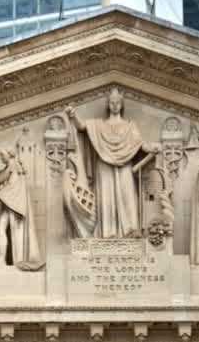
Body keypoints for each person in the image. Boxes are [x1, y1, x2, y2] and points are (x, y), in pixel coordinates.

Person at [66, 87, 160, 238]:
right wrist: (73, 116)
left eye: (117, 102)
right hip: (104, 165)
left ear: (121, 105)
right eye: (112, 102)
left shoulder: (129, 126)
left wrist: (152, 147)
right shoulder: (99, 125)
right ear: (108, 104)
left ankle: (130, 230)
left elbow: (141, 144)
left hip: (125, 165)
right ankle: (108, 232)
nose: (115, 105)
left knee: (127, 194)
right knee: (106, 196)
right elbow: (82, 126)